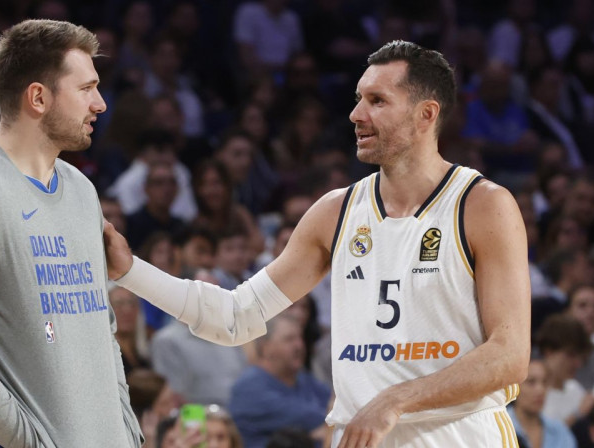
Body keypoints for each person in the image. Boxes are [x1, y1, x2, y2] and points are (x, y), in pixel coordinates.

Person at [105, 40, 531, 447]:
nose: (355, 114)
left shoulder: (482, 205)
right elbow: (234, 317)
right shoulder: (335, 212)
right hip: (361, 434)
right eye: (359, 98)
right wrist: (130, 271)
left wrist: (397, 399)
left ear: (426, 114)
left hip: (456, 434)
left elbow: (509, 355)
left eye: (377, 101)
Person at [0, 20, 142, 447]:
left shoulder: (82, 190)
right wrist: (32, 443)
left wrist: (126, 430)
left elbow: (102, 327)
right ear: (38, 97)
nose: (100, 104)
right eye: (86, 88)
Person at [228, 314, 330, 448]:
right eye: (289, 339)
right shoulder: (248, 388)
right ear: (266, 348)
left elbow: (339, 413)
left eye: (300, 338)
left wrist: (328, 428)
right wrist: (326, 428)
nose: (299, 345)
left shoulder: (306, 380)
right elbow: (309, 418)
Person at [507, 356, 577, 448]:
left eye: (544, 382)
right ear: (514, 386)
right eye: (531, 382)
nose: (540, 390)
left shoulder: (559, 431)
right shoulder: (497, 426)